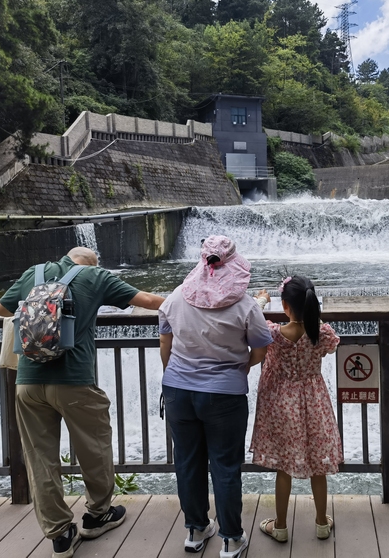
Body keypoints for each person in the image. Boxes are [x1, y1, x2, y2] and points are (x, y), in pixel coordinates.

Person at [0, 247, 164, 558]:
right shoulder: (96, 276)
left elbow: (0, 310)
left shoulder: (35, 272)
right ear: (92, 262)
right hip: (73, 381)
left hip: (28, 383)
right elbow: (151, 303)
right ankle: (97, 515)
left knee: (40, 459)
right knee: (94, 448)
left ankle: (60, 534)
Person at [157, 235, 272, 558]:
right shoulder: (246, 306)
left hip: (179, 390)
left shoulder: (176, 297)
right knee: (224, 465)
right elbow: (260, 349)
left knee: (188, 461)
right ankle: (231, 539)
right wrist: (240, 367)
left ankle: (195, 530)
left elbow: (165, 343)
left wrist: (173, 375)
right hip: (225, 395)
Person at [250, 275, 342, 544]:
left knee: (283, 466)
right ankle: (322, 522)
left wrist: (262, 300)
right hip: (313, 400)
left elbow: (252, 315)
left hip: (282, 403)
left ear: (285, 305)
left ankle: (280, 526)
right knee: (318, 466)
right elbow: (330, 346)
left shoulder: (273, 334)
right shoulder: (322, 333)